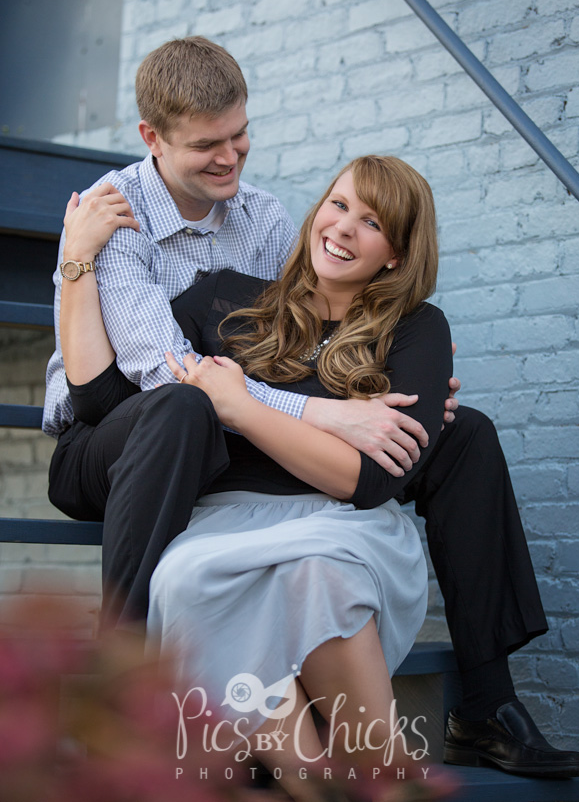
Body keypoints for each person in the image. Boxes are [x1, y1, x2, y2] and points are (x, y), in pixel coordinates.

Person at [43, 36, 579, 780]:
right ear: (153, 138)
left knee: (465, 434)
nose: (230, 158)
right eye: (207, 146)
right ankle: (126, 685)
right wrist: (328, 415)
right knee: (183, 408)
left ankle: (486, 703)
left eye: (240, 136)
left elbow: (289, 335)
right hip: (119, 423)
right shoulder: (112, 213)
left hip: (224, 422)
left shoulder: (262, 217)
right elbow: (139, 381)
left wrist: (402, 397)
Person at [59, 154, 454, 798]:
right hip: (224, 517)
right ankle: (312, 781)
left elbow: (370, 478)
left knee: (320, 573)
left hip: (335, 519)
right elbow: (115, 396)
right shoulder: (234, 301)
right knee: (186, 579)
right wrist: (76, 263)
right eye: (339, 204)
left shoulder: (417, 327)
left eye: (372, 222)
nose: (344, 227)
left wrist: (242, 406)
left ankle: (385, 775)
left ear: (397, 255)